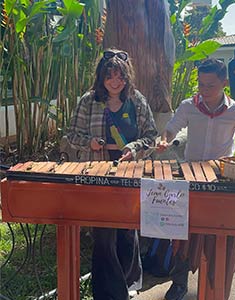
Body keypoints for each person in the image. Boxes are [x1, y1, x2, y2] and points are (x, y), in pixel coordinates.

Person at [158, 58, 235, 300]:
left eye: (210, 86)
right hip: (191, 174)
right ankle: (179, 283)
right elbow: (171, 128)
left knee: (218, 234)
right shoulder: (188, 106)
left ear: (224, 82)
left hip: (221, 178)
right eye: (201, 85)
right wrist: (164, 139)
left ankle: (214, 282)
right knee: (182, 232)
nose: (204, 91)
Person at [67, 48, 158, 300]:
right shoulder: (88, 101)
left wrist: (134, 147)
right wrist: (90, 143)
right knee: (104, 235)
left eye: (120, 77)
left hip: (130, 174)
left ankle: (128, 283)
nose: (115, 82)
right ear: (101, 77)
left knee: (128, 233)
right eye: (110, 77)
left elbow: (151, 136)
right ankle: (109, 294)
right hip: (98, 176)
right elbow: (71, 135)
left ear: (127, 77)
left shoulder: (137, 100)